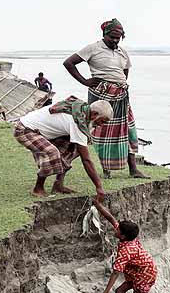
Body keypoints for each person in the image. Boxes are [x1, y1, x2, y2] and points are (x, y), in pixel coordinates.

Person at [63, 18, 148, 179]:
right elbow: (69, 63)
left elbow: (124, 72)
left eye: (118, 38)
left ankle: (133, 169)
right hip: (101, 95)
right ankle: (105, 170)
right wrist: (85, 81)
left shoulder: (122, 51)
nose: (115, 41)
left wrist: (119, 84)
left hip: (121, 95)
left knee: (129, 130)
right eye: (112, 38)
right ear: (105, 34)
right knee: (101, 132)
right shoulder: (93, 48)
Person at [97, 203, 170, 293]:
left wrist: (106, 292)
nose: (116, 228)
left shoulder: (126, 251)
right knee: (119, 292)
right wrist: (98, 205)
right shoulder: (129, 237)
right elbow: (111, 218)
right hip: (139, 271)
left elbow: (115, 272)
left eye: (118, 229)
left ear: (123, 236)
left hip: (145, 277)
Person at [13, 96, 110, 199]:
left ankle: (58, 184)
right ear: (94, 114)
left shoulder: (85, 112)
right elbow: (86, 160)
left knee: (75, 149)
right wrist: (99, 187)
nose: (102, 125)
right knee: (52, 152)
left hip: (44, 132)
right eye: (102, 121)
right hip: (25, 129)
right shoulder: (77, 121)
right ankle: (38, 188)